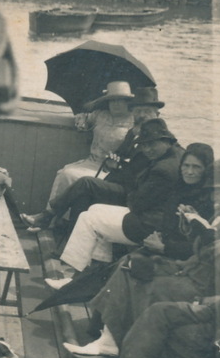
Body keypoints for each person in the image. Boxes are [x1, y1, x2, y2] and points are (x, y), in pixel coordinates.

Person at [77, 176, 220, 358]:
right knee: (132, 267)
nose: (217, 197)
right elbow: (209, 259)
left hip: (213, 305)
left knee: (154, 300)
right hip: (204, 287)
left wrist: (211, 242)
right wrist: (193, 231)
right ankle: (111, 351)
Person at [62, 149, 220, 358]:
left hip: (183, 263)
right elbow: (171, 225)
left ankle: (107, 343)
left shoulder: (207, 202)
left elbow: (197, 247)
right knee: (125, 264)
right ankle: (103, 337)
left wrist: (164, 247)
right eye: (186, 166)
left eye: (196, 167)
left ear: (206, 170)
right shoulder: (179, 189)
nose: (189, 171)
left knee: (130, 268)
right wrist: (158, 237)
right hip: (168, 249)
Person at [46, 118, 184, 287]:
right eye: (145, 145)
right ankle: (97, 268)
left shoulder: (163, 169)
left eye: (152, 144)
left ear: (166, 140)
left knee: (88, 219)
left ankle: (73, 277)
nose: (147, 149)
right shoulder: (175, 154)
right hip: (156, 217)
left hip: (149, 225)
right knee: (95, 209)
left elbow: (136, 204)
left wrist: (128, 182)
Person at [23, 86, 166, 230]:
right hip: (117, 178)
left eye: (147, 112)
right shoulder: (133, 132)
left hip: (133, 193)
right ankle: (65, 229)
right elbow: (124, 156)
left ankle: (48, 216)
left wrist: (119, 166)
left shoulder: (158, 142)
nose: (141, 115)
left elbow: (142, 172)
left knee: (86, 183)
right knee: (73, 183)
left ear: (157, 114)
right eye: (138, 111)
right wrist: (114, 162)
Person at [44, 81, 135, 205]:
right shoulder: (100, 115)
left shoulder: (133, 121)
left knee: (72, 175)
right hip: (91, 162)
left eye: (120, 100)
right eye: (112, 100)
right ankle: (55, 218)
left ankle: (54, 216)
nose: (115, 104)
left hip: (112, 169)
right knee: (64, 173)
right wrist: (81, 121)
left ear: (127, 102)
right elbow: (83, 117)